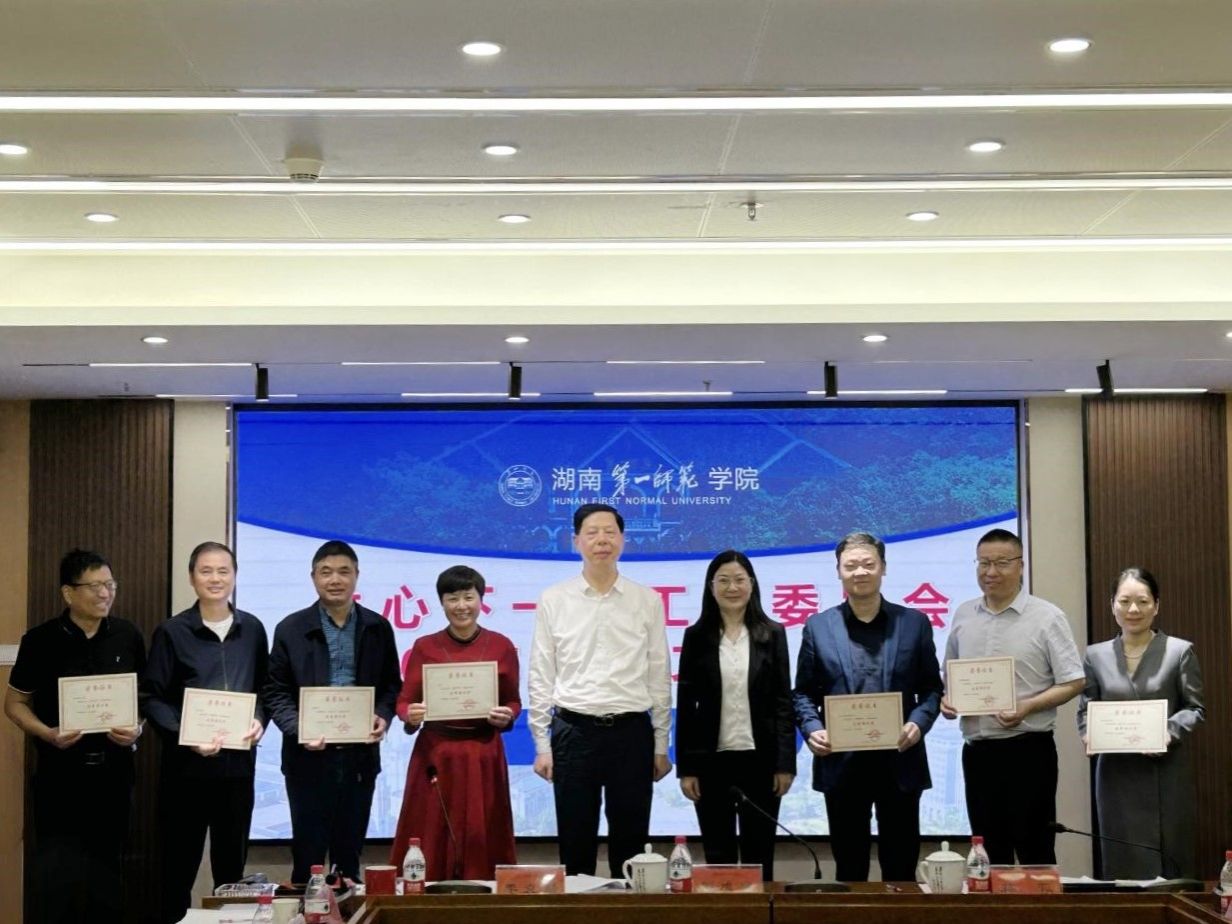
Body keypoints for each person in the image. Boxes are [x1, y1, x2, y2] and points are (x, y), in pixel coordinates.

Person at [528, 503, 673, 877]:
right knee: (575, 844)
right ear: (576, 541)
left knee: (631, 846)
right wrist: (542, 744)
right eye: (592, 533)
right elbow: (542, 673)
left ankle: (631, 908)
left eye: (610, 532)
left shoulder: (646, 599)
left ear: (623, 539)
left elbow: (659, 673)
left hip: (631, 732)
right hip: (573, 731)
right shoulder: (554, 599)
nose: (602, 540)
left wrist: (660, 745)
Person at [3, 549, 146, 924]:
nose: (105, 593)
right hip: (60, 776)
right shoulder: (40, 640)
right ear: (68, 593)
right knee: (58, 880)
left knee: (107, 880)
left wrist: (137, 727)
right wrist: (47, 733)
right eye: (95, 586)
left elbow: (142, 699)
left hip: (114, 776)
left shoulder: (127, 635)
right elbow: (14, 704)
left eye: (110, 584)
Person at [792, 532, 943, 882]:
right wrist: (813, 729)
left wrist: (918, 723)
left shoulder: (914, 623)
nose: (859, 572)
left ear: (883, 568)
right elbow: (802, 694)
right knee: (849, 869)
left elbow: (931, 689)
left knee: (901, 868)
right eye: (850, 565)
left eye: (868, 564)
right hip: (842, 763)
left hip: (900, 760)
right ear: (839, 571)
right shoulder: (818, 626)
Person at [142, 541, 269, 923]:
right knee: (177, 867)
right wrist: (184, 734)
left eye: (223, 571)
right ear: (192, 577)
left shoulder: (252, 629)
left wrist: (259, 719)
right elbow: (151, 696)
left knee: (231, 872)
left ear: (235, 576)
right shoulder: (172, 631)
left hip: (237, 770)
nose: (215, 578)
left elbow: (264, 689)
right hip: (186, 771)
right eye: (206, 571)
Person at [941, 528, 1084, 865]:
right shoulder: (963, 615)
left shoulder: (1047, 617)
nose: (991, 572)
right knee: (988, 853)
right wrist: (948, 702)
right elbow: (950, 677)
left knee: (1035, 850)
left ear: (1021, 565)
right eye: (983, 563)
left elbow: (1073, 681)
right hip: (977, 753)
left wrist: (1028, 706)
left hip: (1028, 751)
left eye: (1002, 563)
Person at [264, 539, 401, 883]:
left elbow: (391, 685)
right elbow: (275, 691)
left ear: (356, 576)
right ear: (313, 577)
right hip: (307, 758)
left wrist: (383, 715)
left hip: (359, 757)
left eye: (344, 571)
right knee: (307, 857)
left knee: (348, 857)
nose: (335, 579)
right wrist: (300, 729)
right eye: (326, 572)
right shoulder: (290, 628)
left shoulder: (377, 627)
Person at [389, 565, 521, 880]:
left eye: (468, 597)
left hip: (483, 752)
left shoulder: (502, 645)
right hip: (437, 751)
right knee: (430, 828)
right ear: (442, 602)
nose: (461, 606)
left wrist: (508, 715)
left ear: (481, 599)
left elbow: (513, 701)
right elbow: (404, 701)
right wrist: (410, 715)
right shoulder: (425, 646)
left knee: (482, 828)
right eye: (452, 598)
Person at [675, 549, 796, 881]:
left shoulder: (772, 633)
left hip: (761, 761)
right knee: (718, 856)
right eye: (723, 580)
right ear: (711, 587)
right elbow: (686, 706)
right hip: (711, 762)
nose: (732, 588)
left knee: (761, 855)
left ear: (752, 584)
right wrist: (686, 768)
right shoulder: (696, 637)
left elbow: (783, 703)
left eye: (739, 580)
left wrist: (785, 764)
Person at [1077, 567, 1204, 879]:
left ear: (1156, 605)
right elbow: (1086, 708)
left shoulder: (1179, 651)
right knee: (1120, 858)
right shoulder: (1095, 655)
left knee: (1168, 860)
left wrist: (1168, 732)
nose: (1133, 609)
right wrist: (1088, 733)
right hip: (1116, 774)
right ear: (1112, 605)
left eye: (1143, 601)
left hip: (1164, 771)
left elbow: (1195, 708)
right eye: (1124, 601)